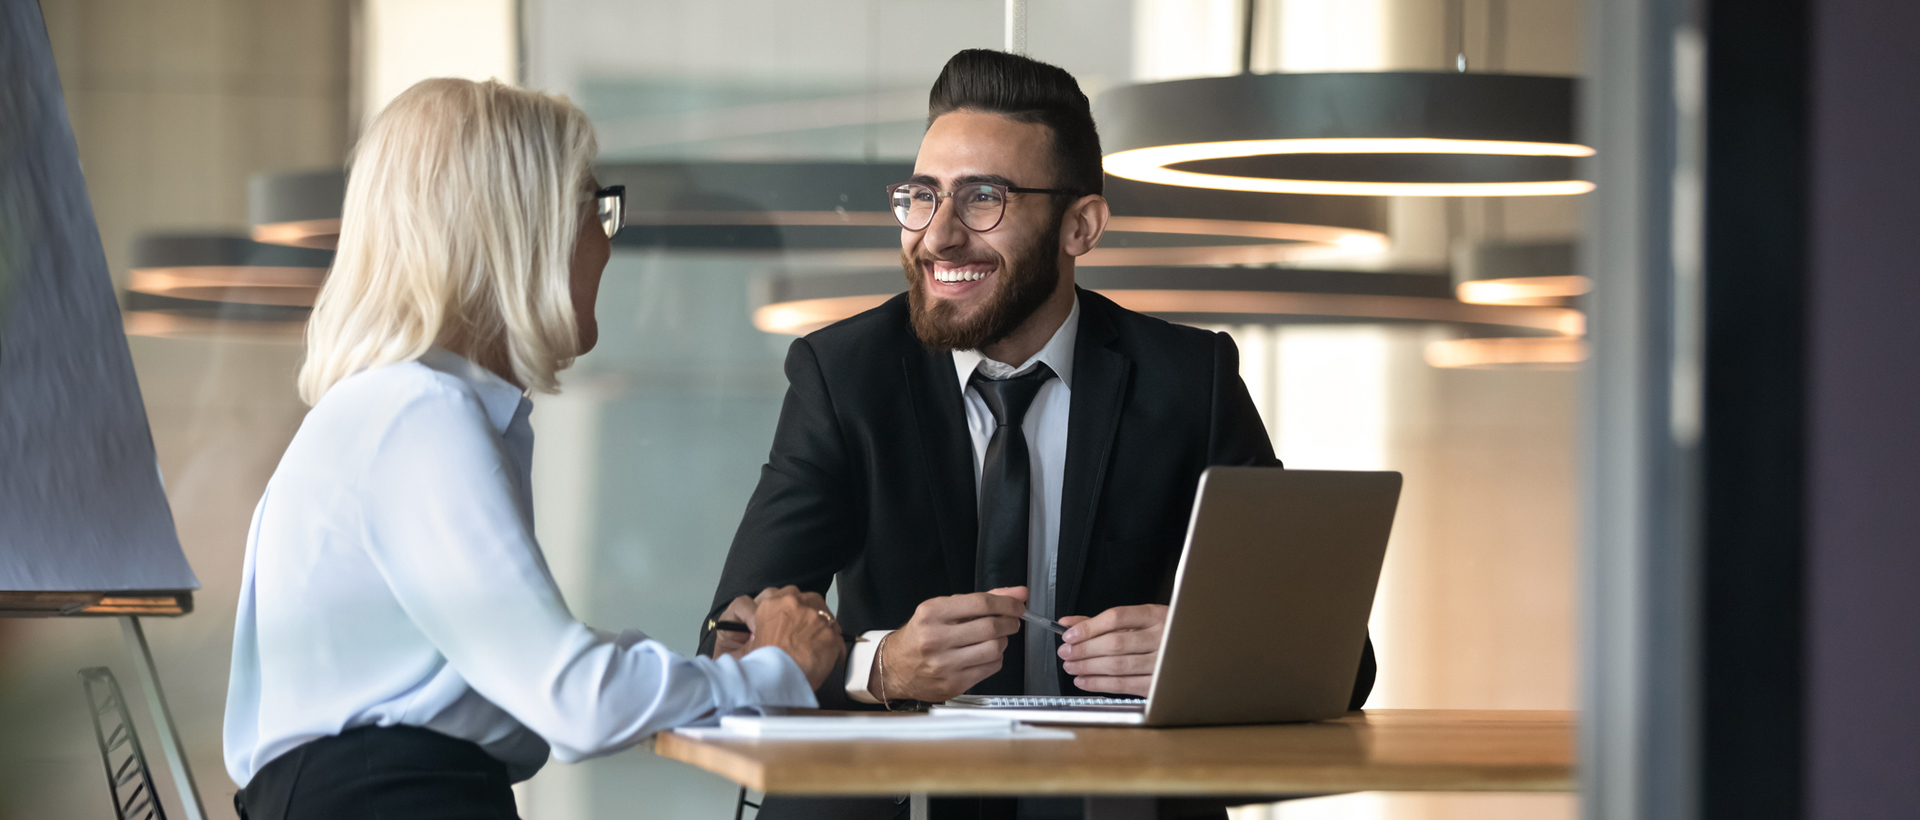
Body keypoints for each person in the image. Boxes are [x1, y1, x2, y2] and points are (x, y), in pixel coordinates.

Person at [701, 50, 1374, 820]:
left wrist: (1206, 656)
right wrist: (880, 665)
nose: (938, 236)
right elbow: (727, 642)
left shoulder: (1193, 379)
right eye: (922, 197)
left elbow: (1342, 660)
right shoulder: (844, 374)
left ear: (1079, 226)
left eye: (983, 198)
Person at [222, 78, 844, 820]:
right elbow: (574, 701)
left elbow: (530, 668)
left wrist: (716, 673)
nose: (607, 240)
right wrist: (774, 673)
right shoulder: (420, 416)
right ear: (524, 226)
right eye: (595, 207)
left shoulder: (391, 411)